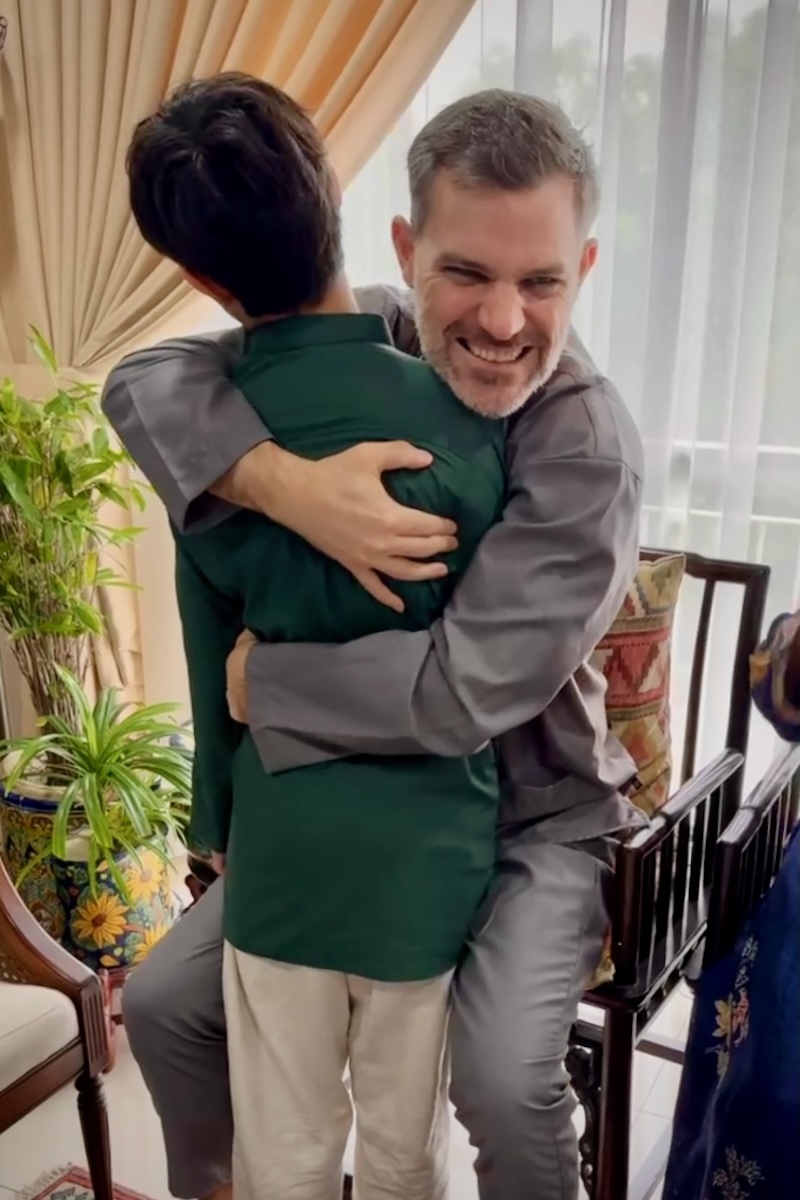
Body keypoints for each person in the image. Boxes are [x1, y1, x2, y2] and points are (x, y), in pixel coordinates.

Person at [107, 88, 645, 1200]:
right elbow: (142, 378)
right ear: (404, 251)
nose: (502, 320)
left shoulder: (588, 448)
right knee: (160, 1005)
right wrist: (286, 485)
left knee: (501, 1080)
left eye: (540, 282)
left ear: (583, 269)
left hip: (535, 819)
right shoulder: (392, 329)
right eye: (466, 273)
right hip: (368, 789)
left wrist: (265, 682)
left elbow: (457, 694)